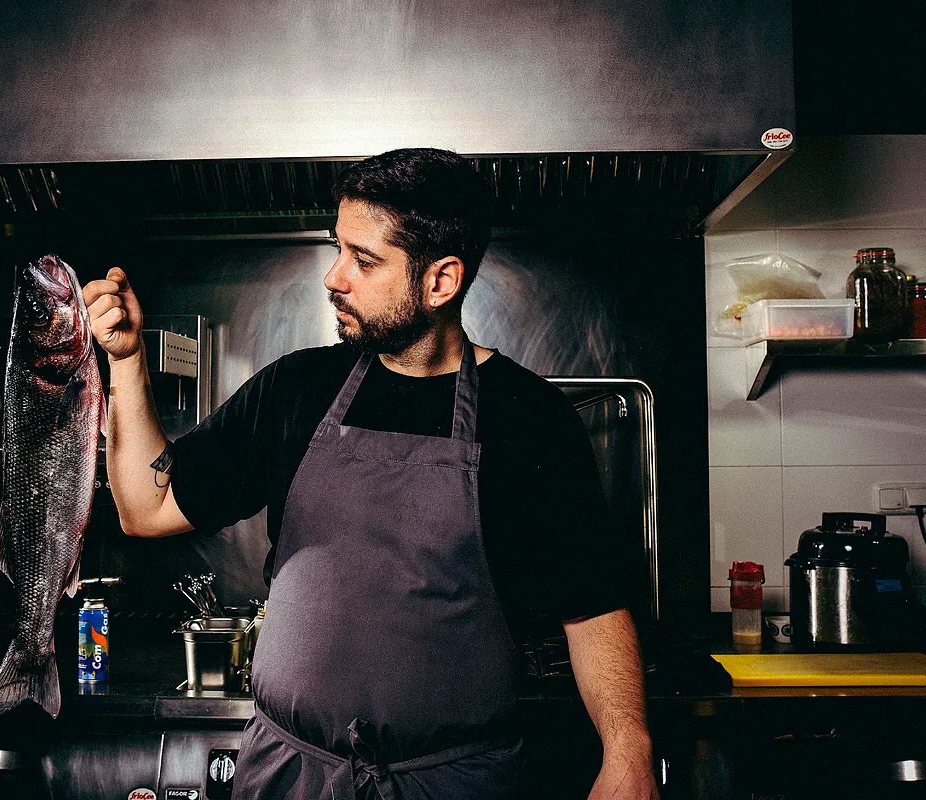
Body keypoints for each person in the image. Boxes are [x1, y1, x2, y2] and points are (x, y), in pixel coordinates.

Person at [83, 148, 659, 799]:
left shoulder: (532, 419)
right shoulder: (295, 390)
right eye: (338, 249)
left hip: (455, 784)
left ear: (440, 281)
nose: (334, 276)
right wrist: (127, 362)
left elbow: (594, 609)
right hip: (291, 778)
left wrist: (628, 751)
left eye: (364, 260)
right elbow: (146, 508)